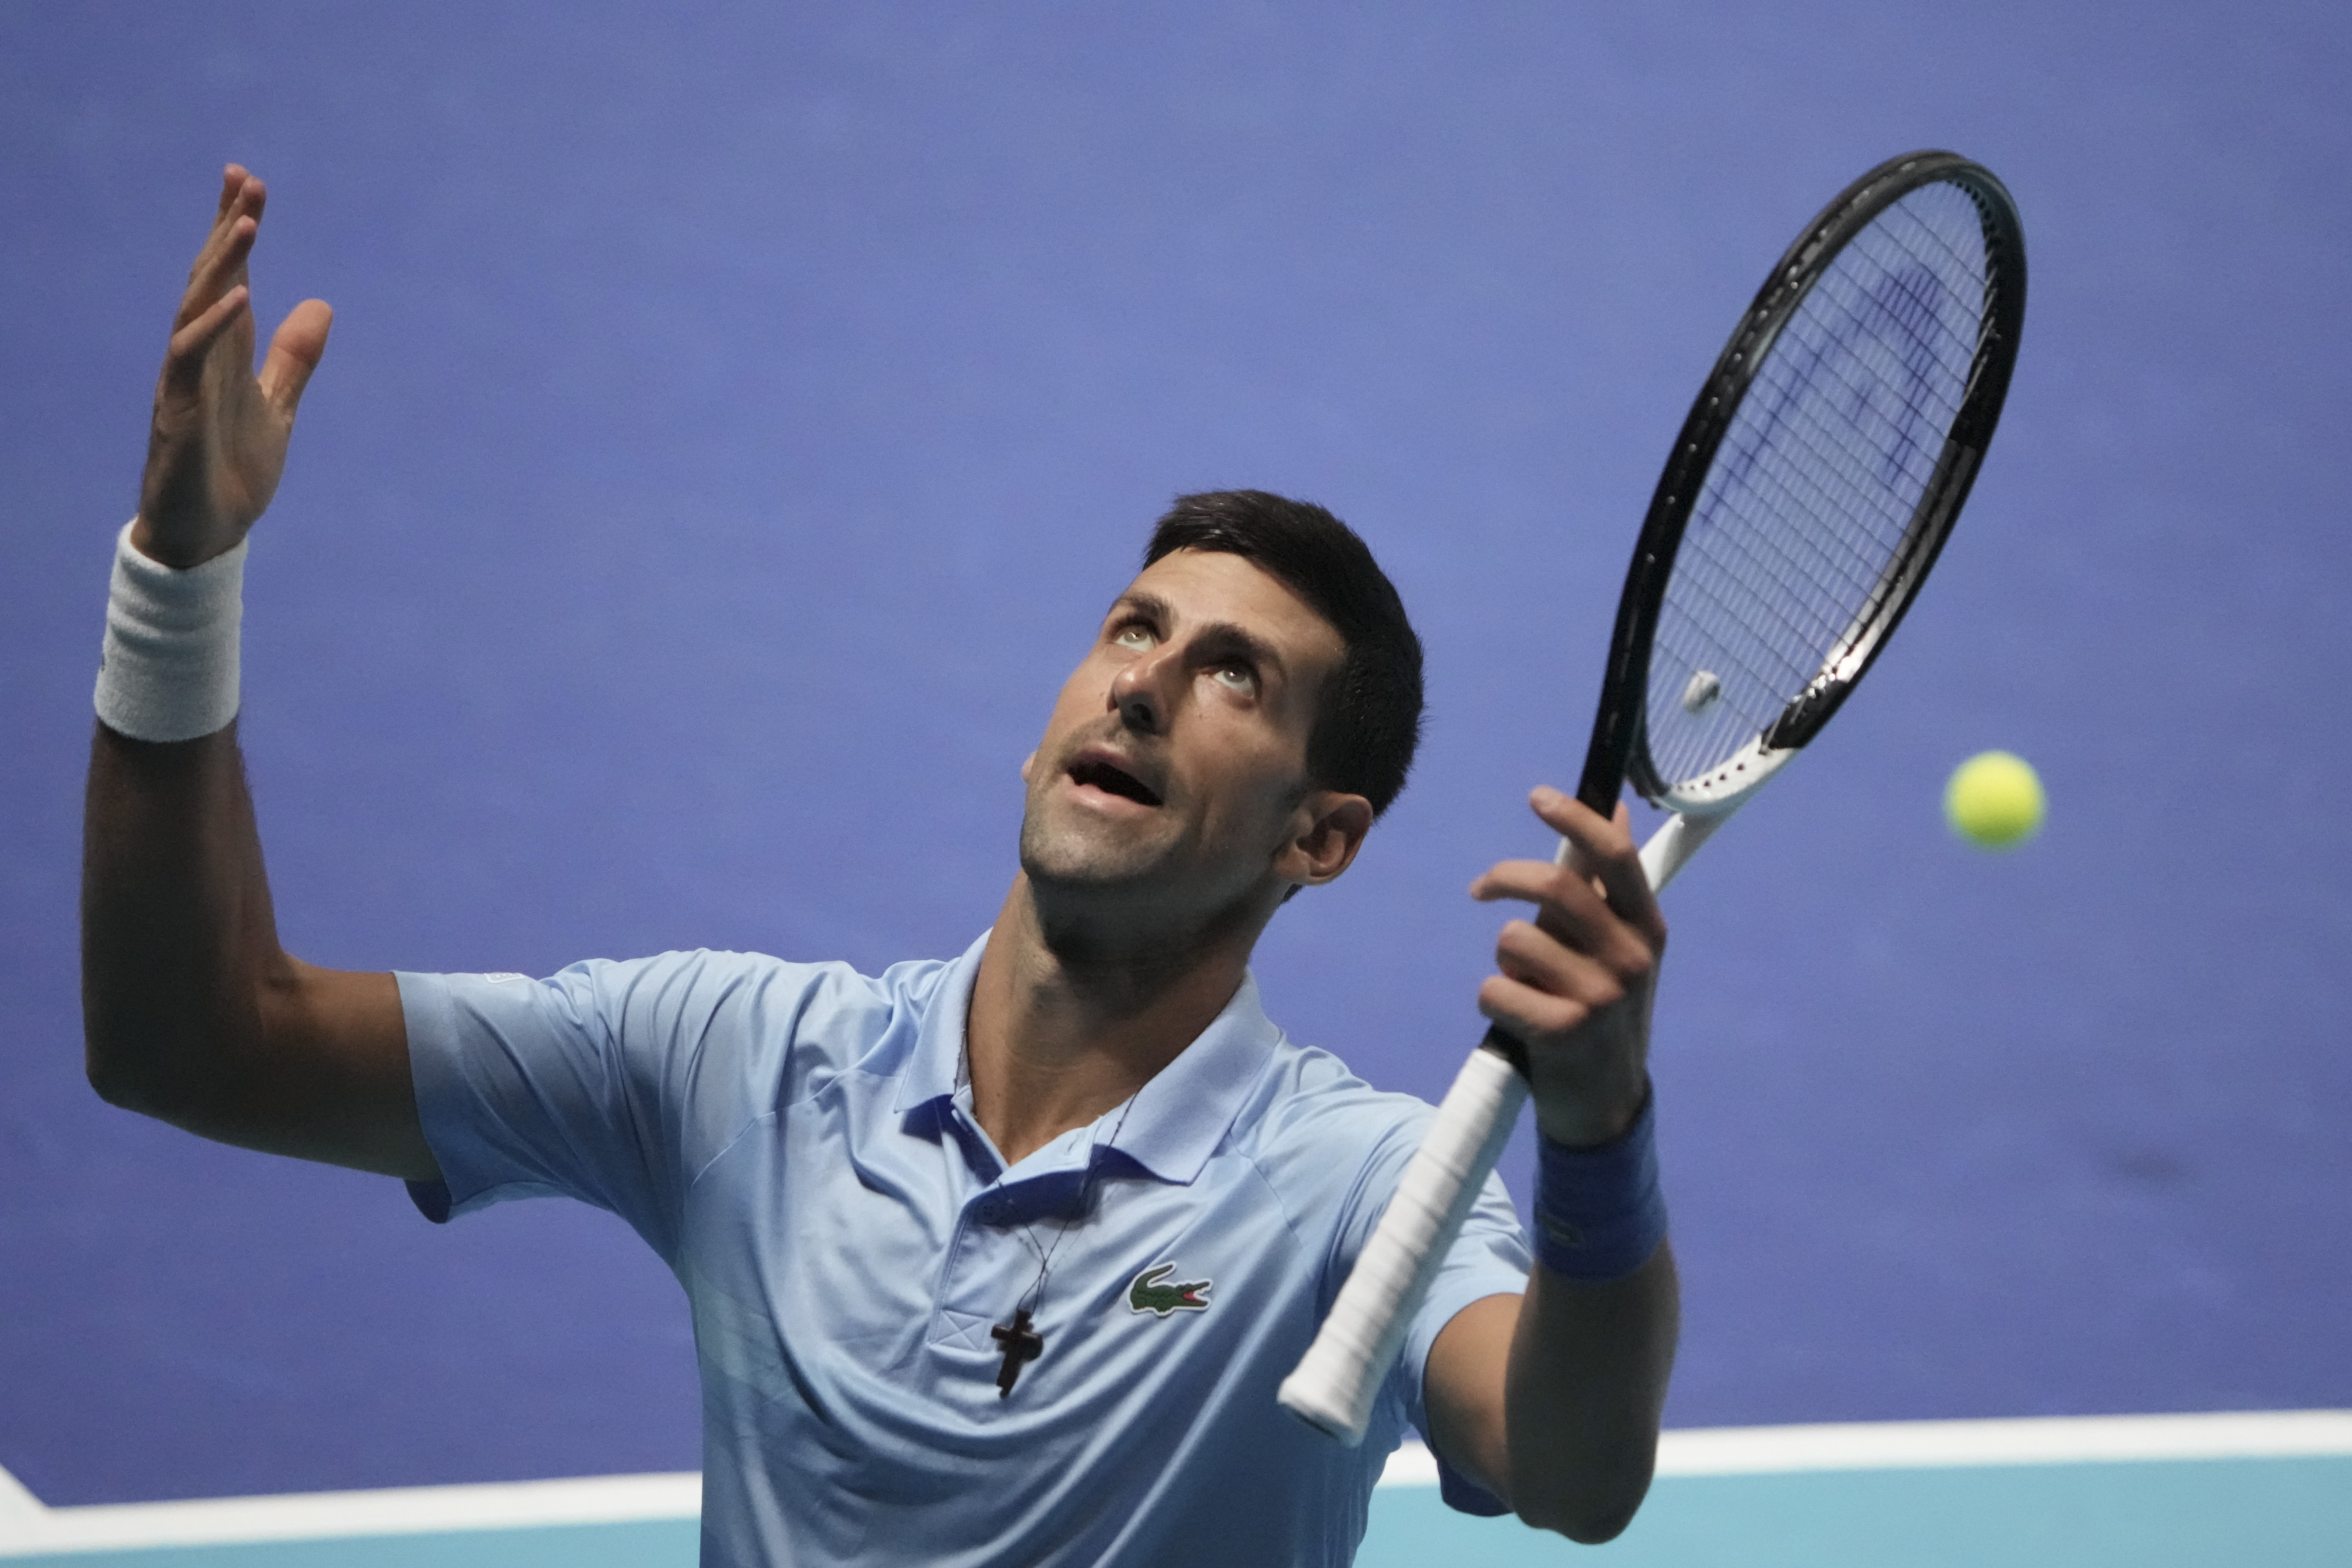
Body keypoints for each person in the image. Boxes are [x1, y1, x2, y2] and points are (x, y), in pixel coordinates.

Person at [83, 166, 1679, 1567]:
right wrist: (181, 574)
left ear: (1318, 840)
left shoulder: (1357, 1188)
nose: (1141, 683)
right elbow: (193, 1042)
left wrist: (1598, 1137)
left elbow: (1569, 1473)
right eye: (1134, 629)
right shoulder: (739, 1065)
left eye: (1234, 676)